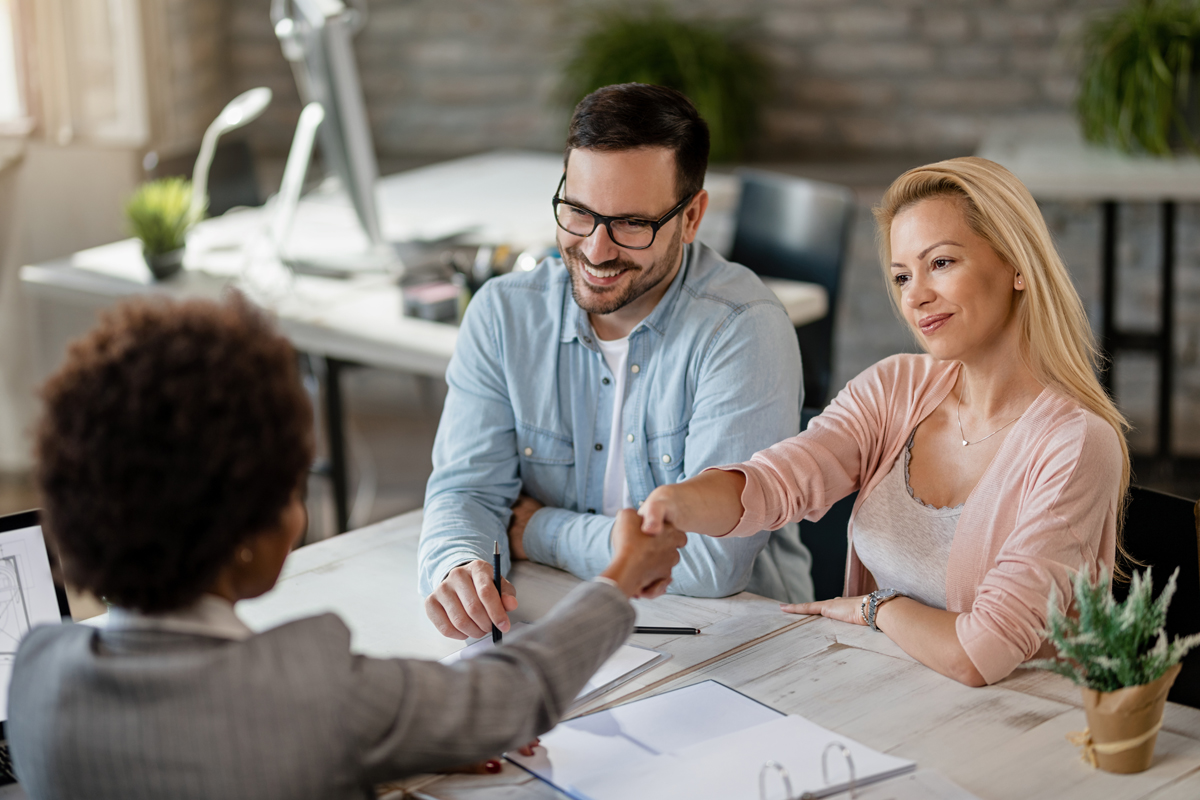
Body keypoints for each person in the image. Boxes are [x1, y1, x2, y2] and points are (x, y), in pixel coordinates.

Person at [8, 294, 688, 800]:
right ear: (245, 541)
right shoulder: (308, 689)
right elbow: (511, 695)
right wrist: (620, 577)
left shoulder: (38, 676)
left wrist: (366, 749)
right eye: (291, 487)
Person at [639, 157, 1131, 688]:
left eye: (941, 263)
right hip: (887, 691)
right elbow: (778, 482)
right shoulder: (896, 387)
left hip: (1018, 723)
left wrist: (876, 609)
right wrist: (676, 505)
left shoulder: (1076, 444)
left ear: (1017, 265)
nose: (915, 296)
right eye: (902, 276)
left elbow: (981, 653)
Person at [419, 83, 813, 641]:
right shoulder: (504, 315)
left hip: (734, 640)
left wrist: (537, 531)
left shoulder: (742, 326)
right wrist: (459, 563)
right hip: (555, 615)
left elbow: (708, 564)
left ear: (692, 217)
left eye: (632, 223)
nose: (597, 250)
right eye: (579, 212)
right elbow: (467, 492)